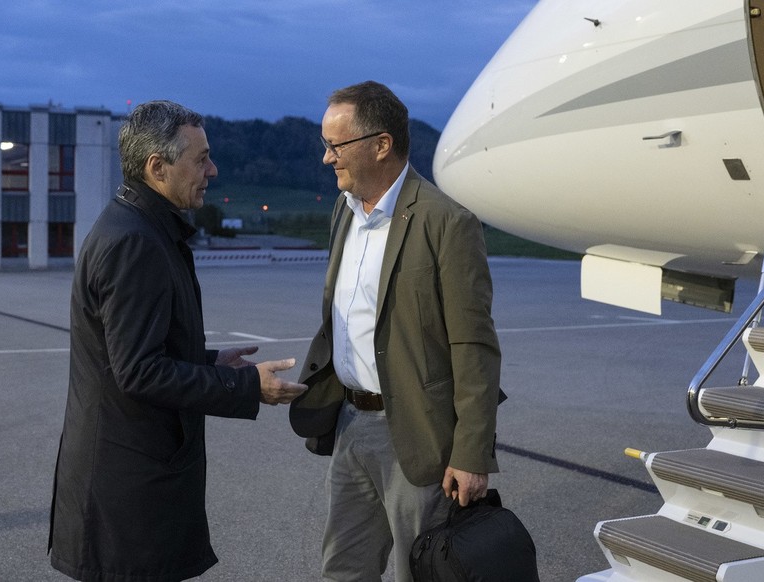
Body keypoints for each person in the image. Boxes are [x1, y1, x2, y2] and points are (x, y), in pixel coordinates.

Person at [48, 100, 307, 582]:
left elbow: (133, 349)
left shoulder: (143, 227)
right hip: (129, 492)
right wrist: (249, 388)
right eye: (200, 158)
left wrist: (211, 363)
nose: (213, 169)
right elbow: (139, 371)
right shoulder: (135, 242)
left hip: (133, 479)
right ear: (157, 167)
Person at [289, 81, 505, 582]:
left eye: (335, 146)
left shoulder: (446, 222)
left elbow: (474, 346)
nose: (327, 159)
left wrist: (472, 453)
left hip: (416, 432)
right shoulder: (344, 212)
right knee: (343, 568)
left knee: (423, 570)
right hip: (350, 423)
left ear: (381, 145)